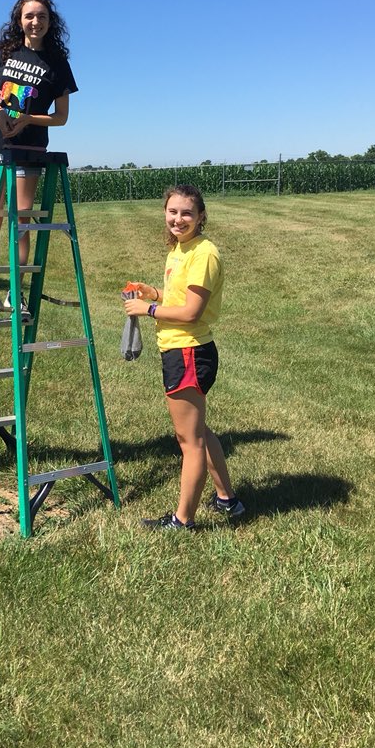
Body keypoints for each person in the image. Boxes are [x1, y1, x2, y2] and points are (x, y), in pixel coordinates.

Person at [123, 185, 245, 530]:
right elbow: (179, 297)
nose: (179, 219)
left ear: (201, 216)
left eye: (187, 213)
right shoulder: (180, 250)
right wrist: (155, 294)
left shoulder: (203, 253)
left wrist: (147, 308)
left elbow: (192, 312)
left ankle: (182, 520)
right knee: (199, 432)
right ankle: (227, 500)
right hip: (181, 348)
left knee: (188, 441)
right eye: (172, 211)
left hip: (189, 350)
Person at [0, 0, 77, 322]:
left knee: (20, 222)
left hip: (29, 152)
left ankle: (14, 295)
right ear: (19, 19)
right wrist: (0, 111)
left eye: (42, 16)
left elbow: (61, 117)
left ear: (50, 22)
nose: (36, 21)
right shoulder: (4, 52)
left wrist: (29, 119)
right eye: (29, 16)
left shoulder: (57, 63)